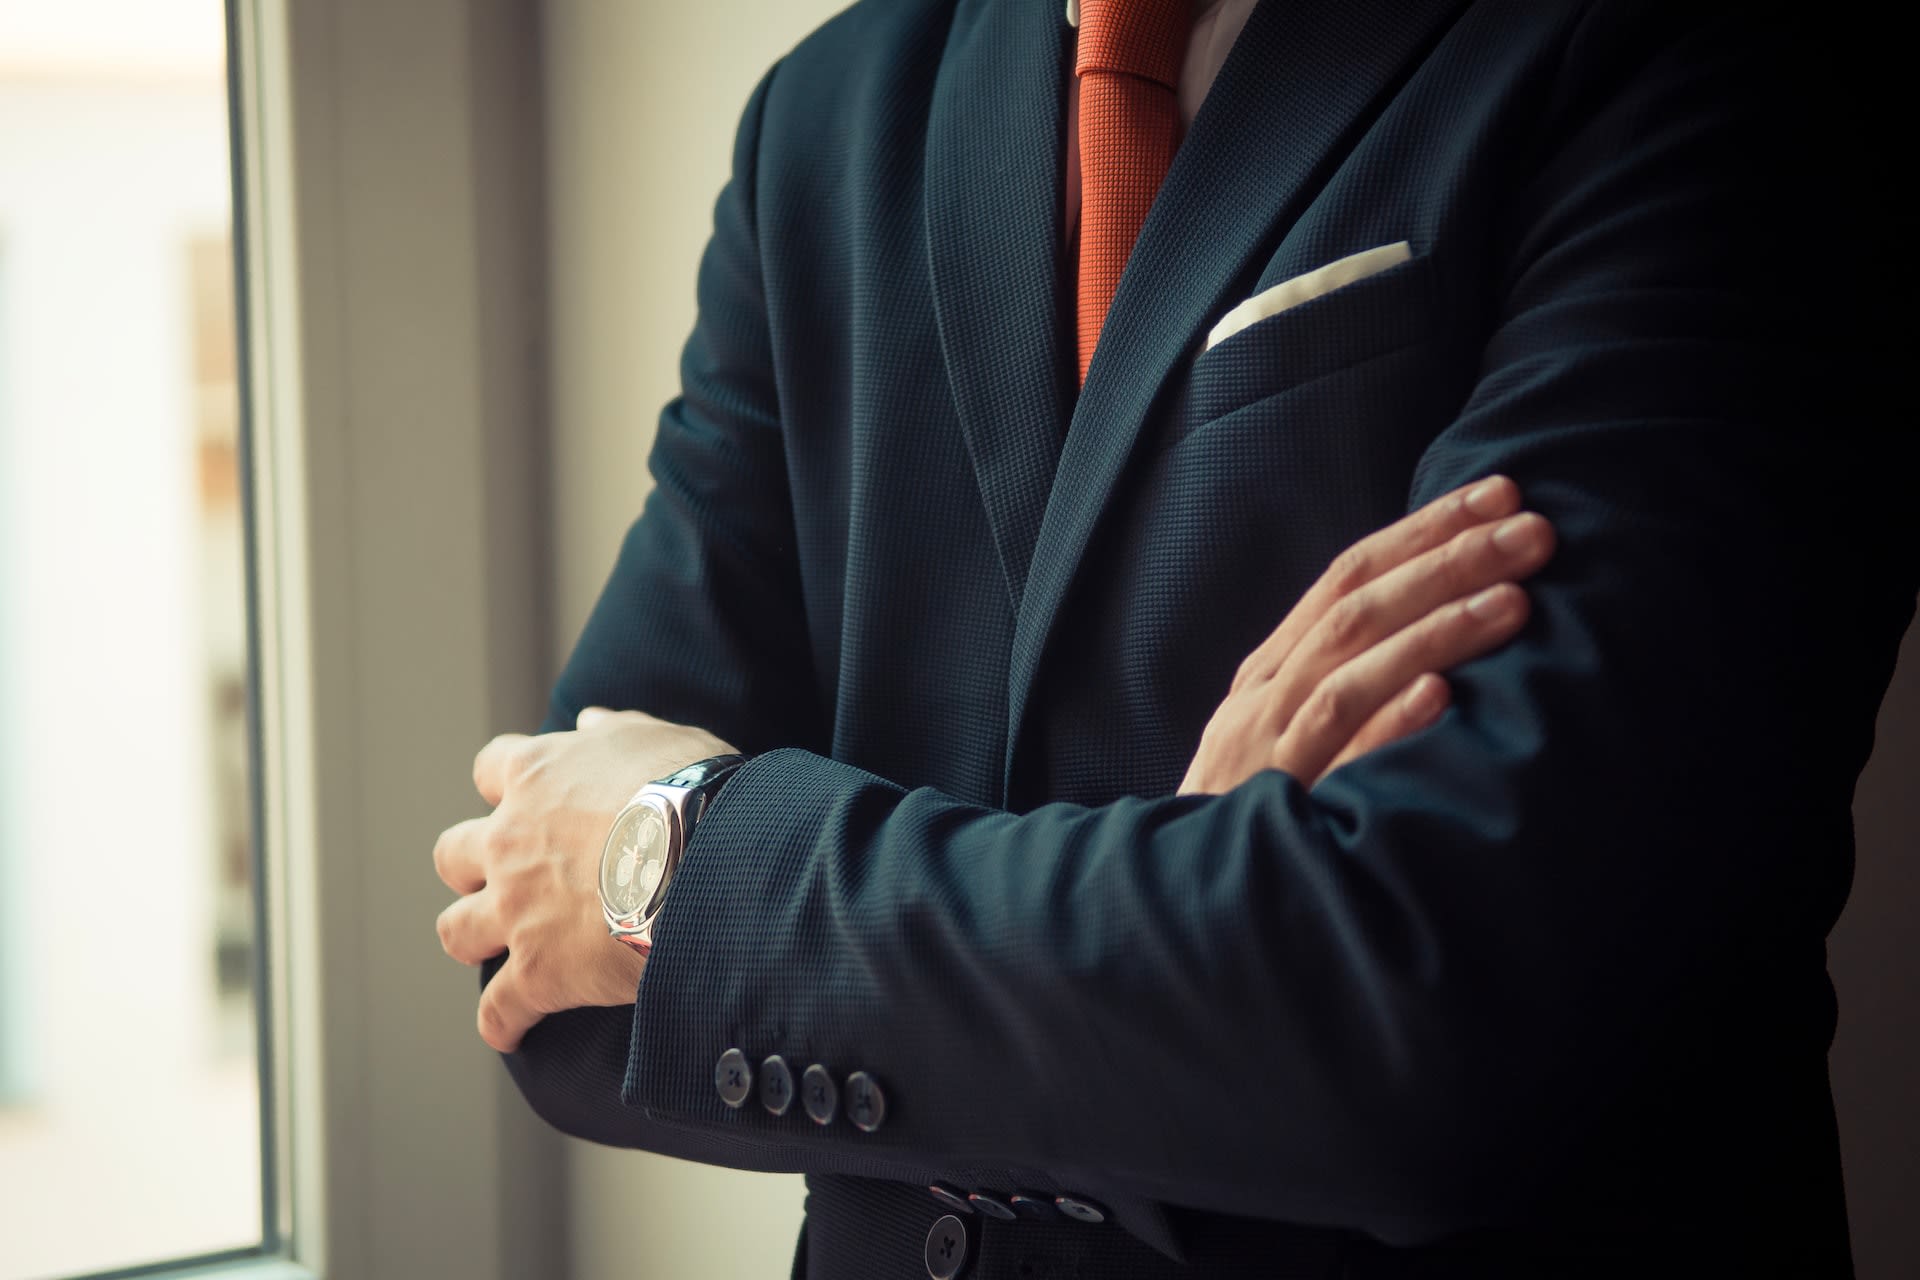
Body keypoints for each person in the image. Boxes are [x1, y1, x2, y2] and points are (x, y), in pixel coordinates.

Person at [431, 1, 1912, 1275]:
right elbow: (539, 978)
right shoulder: (823, 123)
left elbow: (1426, 1014)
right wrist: (1182, 956)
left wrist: (687, 874)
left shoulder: (1690, 58)